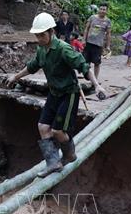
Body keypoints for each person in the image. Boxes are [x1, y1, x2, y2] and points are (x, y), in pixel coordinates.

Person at [8, 13, 105, 177]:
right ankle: (53, 163)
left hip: (69, 93)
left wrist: (97, 86)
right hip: (54, 93)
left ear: (51, 31)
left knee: (57, 131)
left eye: (42, 35)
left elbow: (84, 66)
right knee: (43, 127)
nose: (39, 38)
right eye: (37, 35)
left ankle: (70, 154)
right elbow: (32, 66)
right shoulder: (41, 49)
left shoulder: (63, 48)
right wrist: (15, 77)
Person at [83, 2, 112, 79]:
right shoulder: (92, 17)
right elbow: (86, 29)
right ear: (99, 9)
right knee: (86, 61)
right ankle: (87, 75)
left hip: (98, 44)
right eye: (101, 9)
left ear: (106, 11)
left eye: (104, 9)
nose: (102, 11)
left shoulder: (108, 21)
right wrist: (83, 40)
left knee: (97, 63)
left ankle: (95, 79)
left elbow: (108, 34)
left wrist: (108, 46)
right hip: (89, 42)